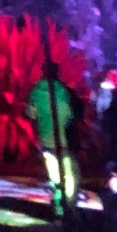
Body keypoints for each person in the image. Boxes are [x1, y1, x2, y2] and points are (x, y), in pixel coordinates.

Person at [28, 61, 79, 213]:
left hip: (46, 139)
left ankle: (58, 203)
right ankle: (69, 204)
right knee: (69, 174)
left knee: (54, 173)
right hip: (66, 140)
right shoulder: (64, 91)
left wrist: (38, 133)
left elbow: (31, 115)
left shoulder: (36, 92)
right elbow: (71, 115)